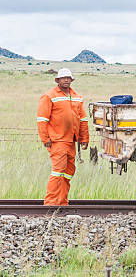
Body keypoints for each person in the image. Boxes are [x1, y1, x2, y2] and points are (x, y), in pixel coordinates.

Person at [36, 68, 89, 206]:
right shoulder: (49, 96)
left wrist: (84, 138)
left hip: (71, 141)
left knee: (68, 172)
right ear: (58, 80)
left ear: (71, 80)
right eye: (63, 78)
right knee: (58, 171)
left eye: (68, 78)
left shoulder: (77, 97)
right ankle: (50, 204)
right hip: (57, 141)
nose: (66, 80)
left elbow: (83, 119)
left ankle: (62, 202)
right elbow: (42, 120)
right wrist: (45, 139)